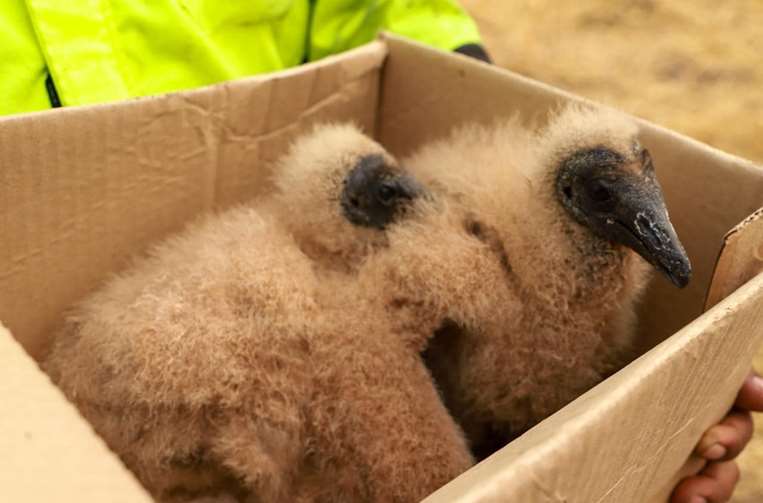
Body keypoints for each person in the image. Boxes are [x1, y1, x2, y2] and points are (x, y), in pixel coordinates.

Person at [1, 1, 759, 500]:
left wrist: (644, 443)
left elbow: (390, 16)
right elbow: (368, 365)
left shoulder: (466, 229)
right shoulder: (417, 268)